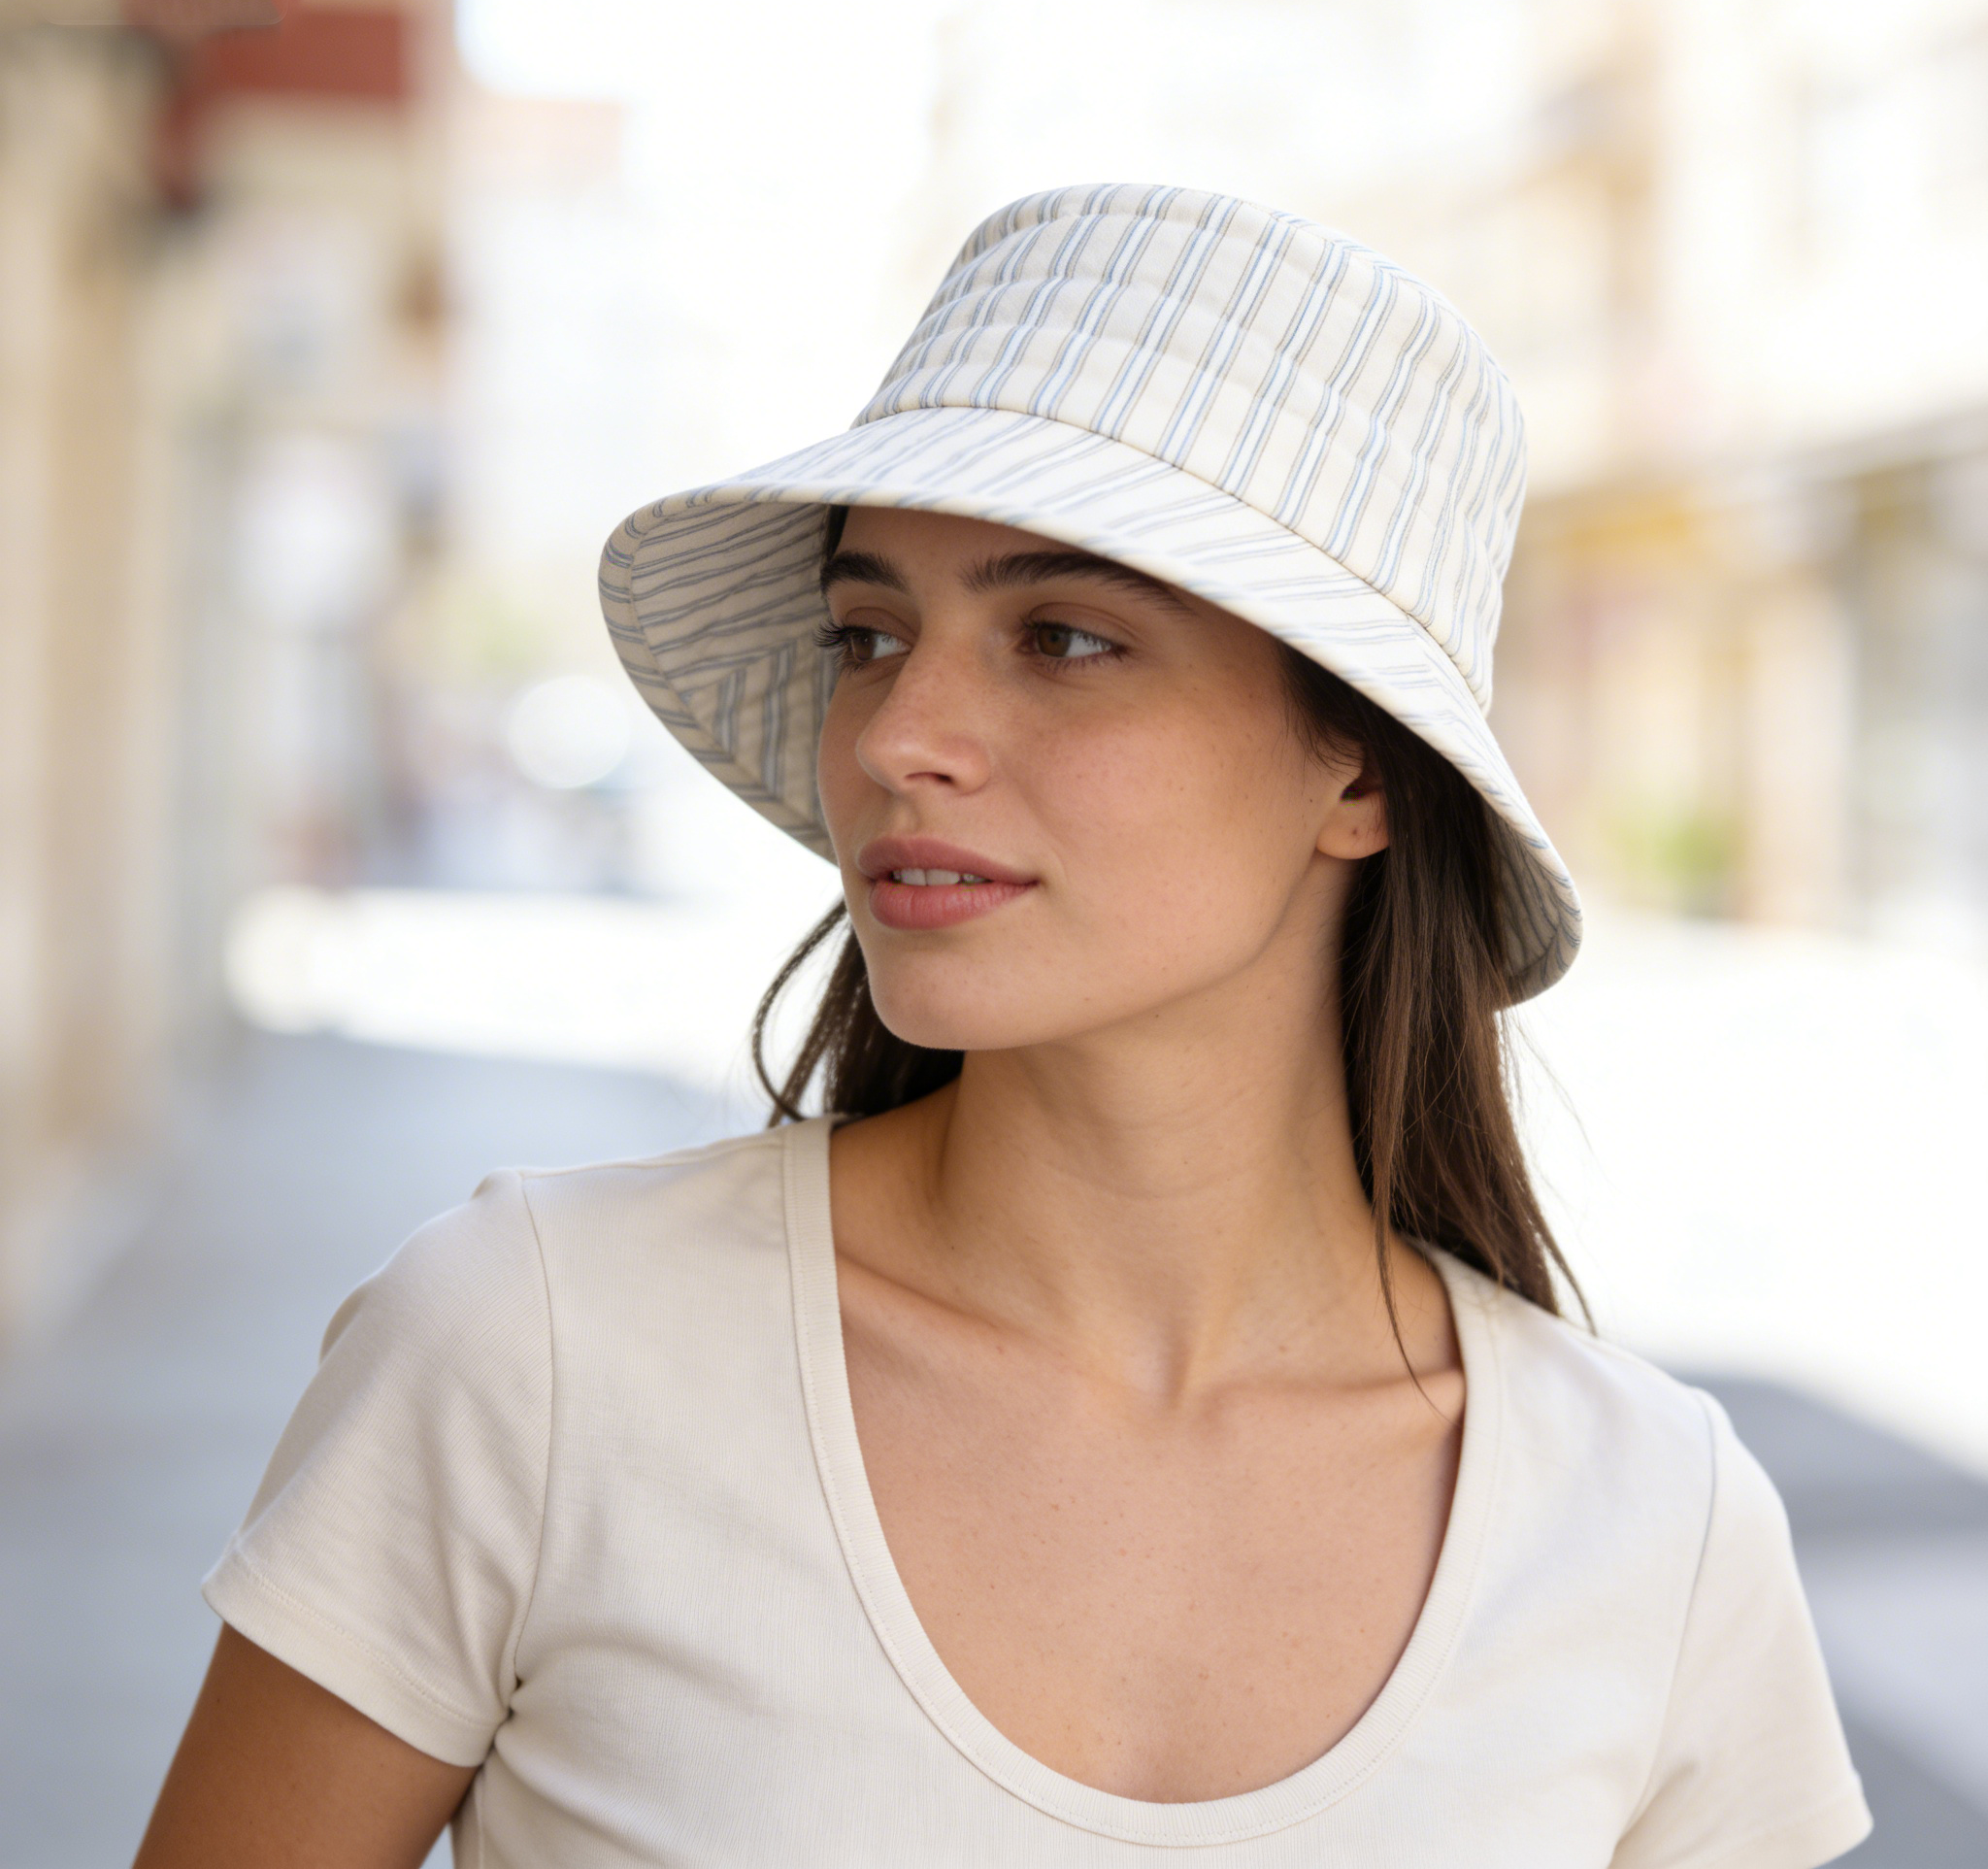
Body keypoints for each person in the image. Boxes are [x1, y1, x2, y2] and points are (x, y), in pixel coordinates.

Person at [136, 184, 1872, 1868]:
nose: (901, 734)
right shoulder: (537, 1354)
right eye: (871, 631)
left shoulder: (1655, 1529)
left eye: (1063, 636)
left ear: (1359, 767)